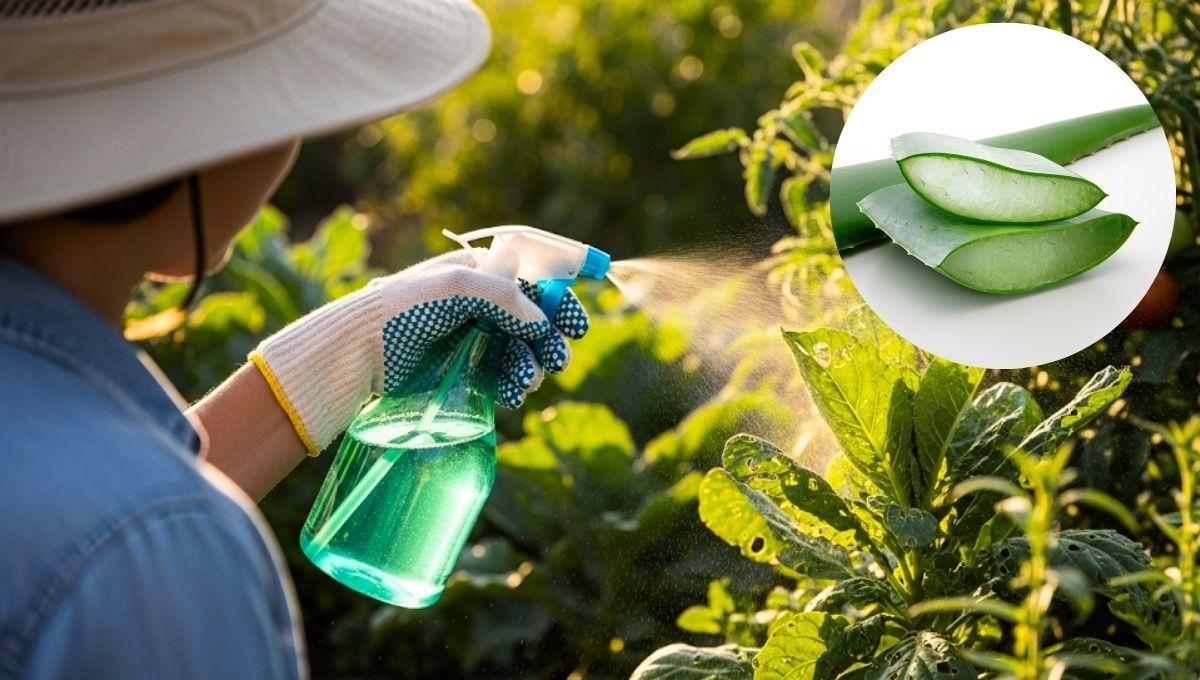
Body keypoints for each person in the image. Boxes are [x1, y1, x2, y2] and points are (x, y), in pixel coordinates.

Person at [0, 1, 588, 677]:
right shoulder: (155, 555)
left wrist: (349, 348)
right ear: (201, 134)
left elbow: (87, 505)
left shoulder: (114, 519)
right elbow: (129, 535)